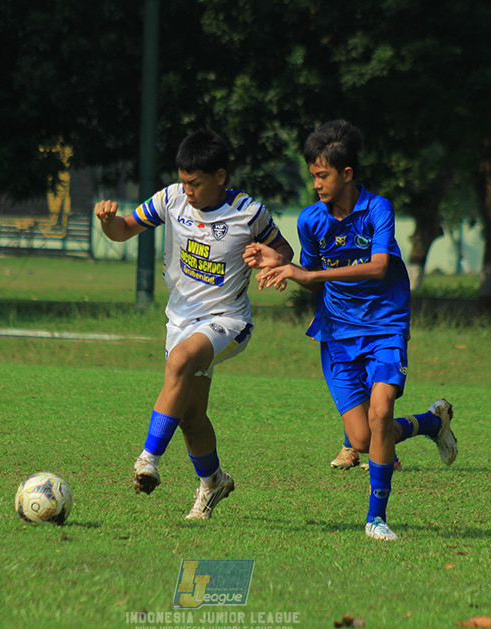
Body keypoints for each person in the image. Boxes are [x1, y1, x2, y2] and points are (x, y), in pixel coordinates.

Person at [243, 120, 456, 541]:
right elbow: (310, 273)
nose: (316, 183)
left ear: (346, 174)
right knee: (363, 438)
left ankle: (376, 518)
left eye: (322, 175)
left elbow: (378, 268)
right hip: (337, 332)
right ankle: (432, 424)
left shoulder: (378, 208)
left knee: (380, 414)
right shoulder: (311, 220)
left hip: (385, 326)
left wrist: (313, 275)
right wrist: (280, 263)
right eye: (312, 175)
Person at [94, 129, 294, 520]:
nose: (187, 191)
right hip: (180, 319)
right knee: (190, 417)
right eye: (184, 181)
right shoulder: (169, 199)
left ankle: (148, 459)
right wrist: (107, 221)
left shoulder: (249, 213)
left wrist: (271, 258)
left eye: (196, 183)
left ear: (220, 177)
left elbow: (283, 250)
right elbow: (122, 231)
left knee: (181, 360)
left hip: (228, 321)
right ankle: (213, 481)